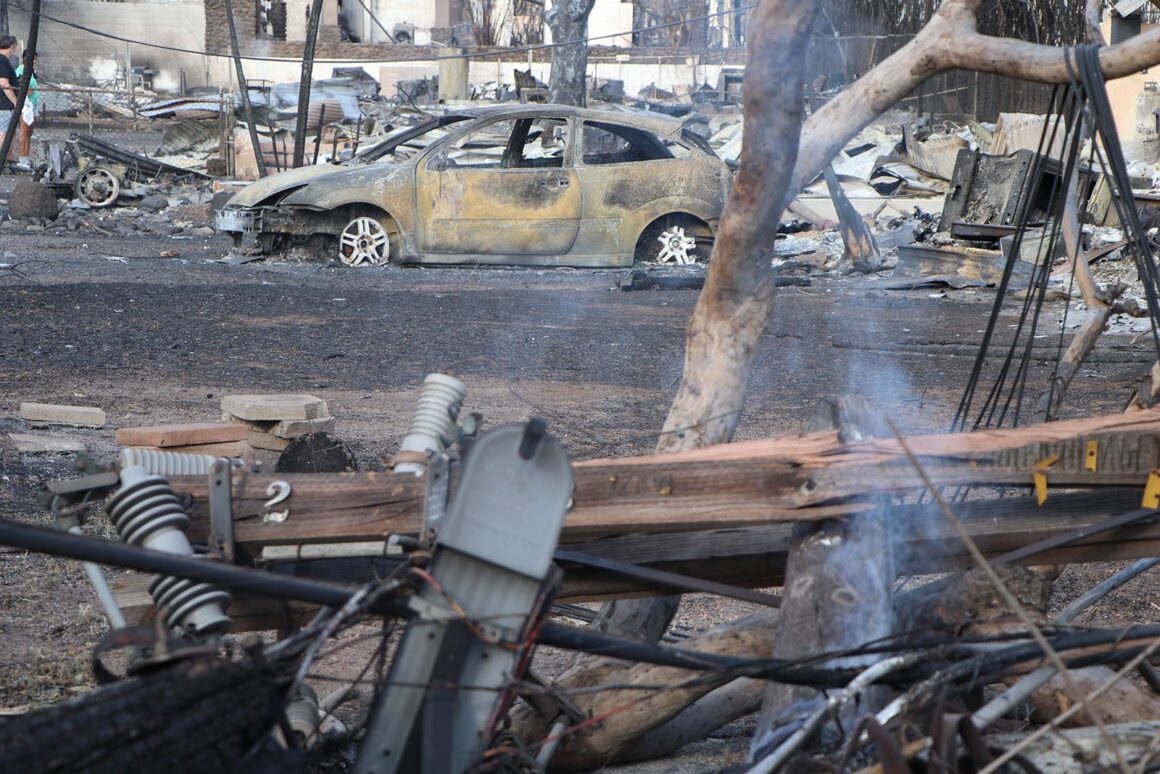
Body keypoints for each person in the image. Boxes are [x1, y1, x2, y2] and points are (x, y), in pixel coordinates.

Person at [14, 53, 37, 165]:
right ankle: (22, 157)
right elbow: (19, 86)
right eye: (32, 59)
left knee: (29, 132)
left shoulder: (31, 71)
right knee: (24, 131)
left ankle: (26, 156)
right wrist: (28, 91)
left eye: (35, 59)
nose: (34, 61)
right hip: (25, 104)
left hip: (32, 103)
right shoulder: (21, 70)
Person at [0, 36, 17, 162]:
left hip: (4, 105)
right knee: (4, 134)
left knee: (8, 132)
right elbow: (4, 83)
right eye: (14, 47)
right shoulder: (2, 61)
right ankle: (2, 161)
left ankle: (8, 158)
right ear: (11, 46)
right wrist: (16, 102)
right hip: (4, 105)